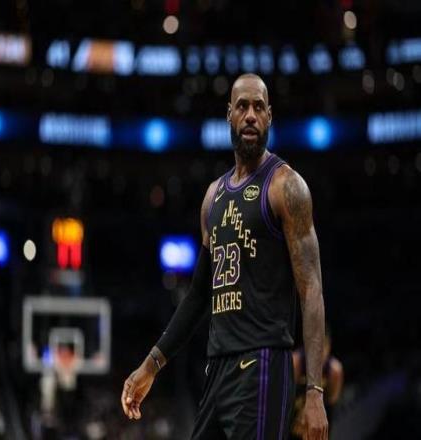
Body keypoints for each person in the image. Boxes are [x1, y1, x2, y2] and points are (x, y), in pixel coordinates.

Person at [121, 73, 328, 440]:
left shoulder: (286, 187)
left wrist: (314, 390)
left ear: (269, 117)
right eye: (242, 106)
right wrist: (151, 365)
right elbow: (198, 295)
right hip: (217, 369)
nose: (250, 115)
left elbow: (311, 289)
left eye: (259, 107)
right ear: (228, 114)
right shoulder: (212, 197)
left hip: (263, 364)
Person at [291, 328, 343, 439]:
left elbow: (330, 408)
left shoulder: (335, 371)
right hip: (292, 418)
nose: (318, 353)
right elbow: (282, 401)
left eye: (323, 347)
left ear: (329, 347)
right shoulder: (295, 363)